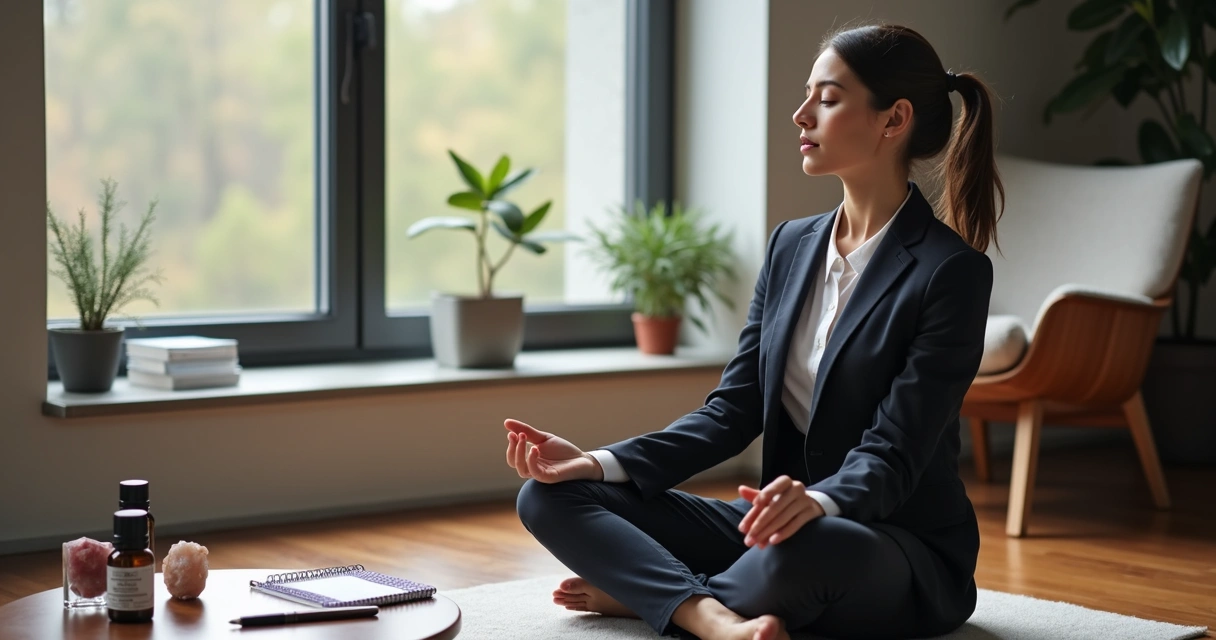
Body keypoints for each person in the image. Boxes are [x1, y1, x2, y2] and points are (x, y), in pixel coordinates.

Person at [506, 23, 1003, 640]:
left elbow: (895, 452)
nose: (801, 114)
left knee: (808, 550)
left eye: (827, 98)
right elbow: (731, 411)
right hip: (771, 526)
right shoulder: (791, 245)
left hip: (890, 541)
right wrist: (598, 463)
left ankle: (654, 593)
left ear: (892, 119)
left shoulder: (950, 272)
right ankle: (707, 613)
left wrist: (817, 502)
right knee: (547, 498)